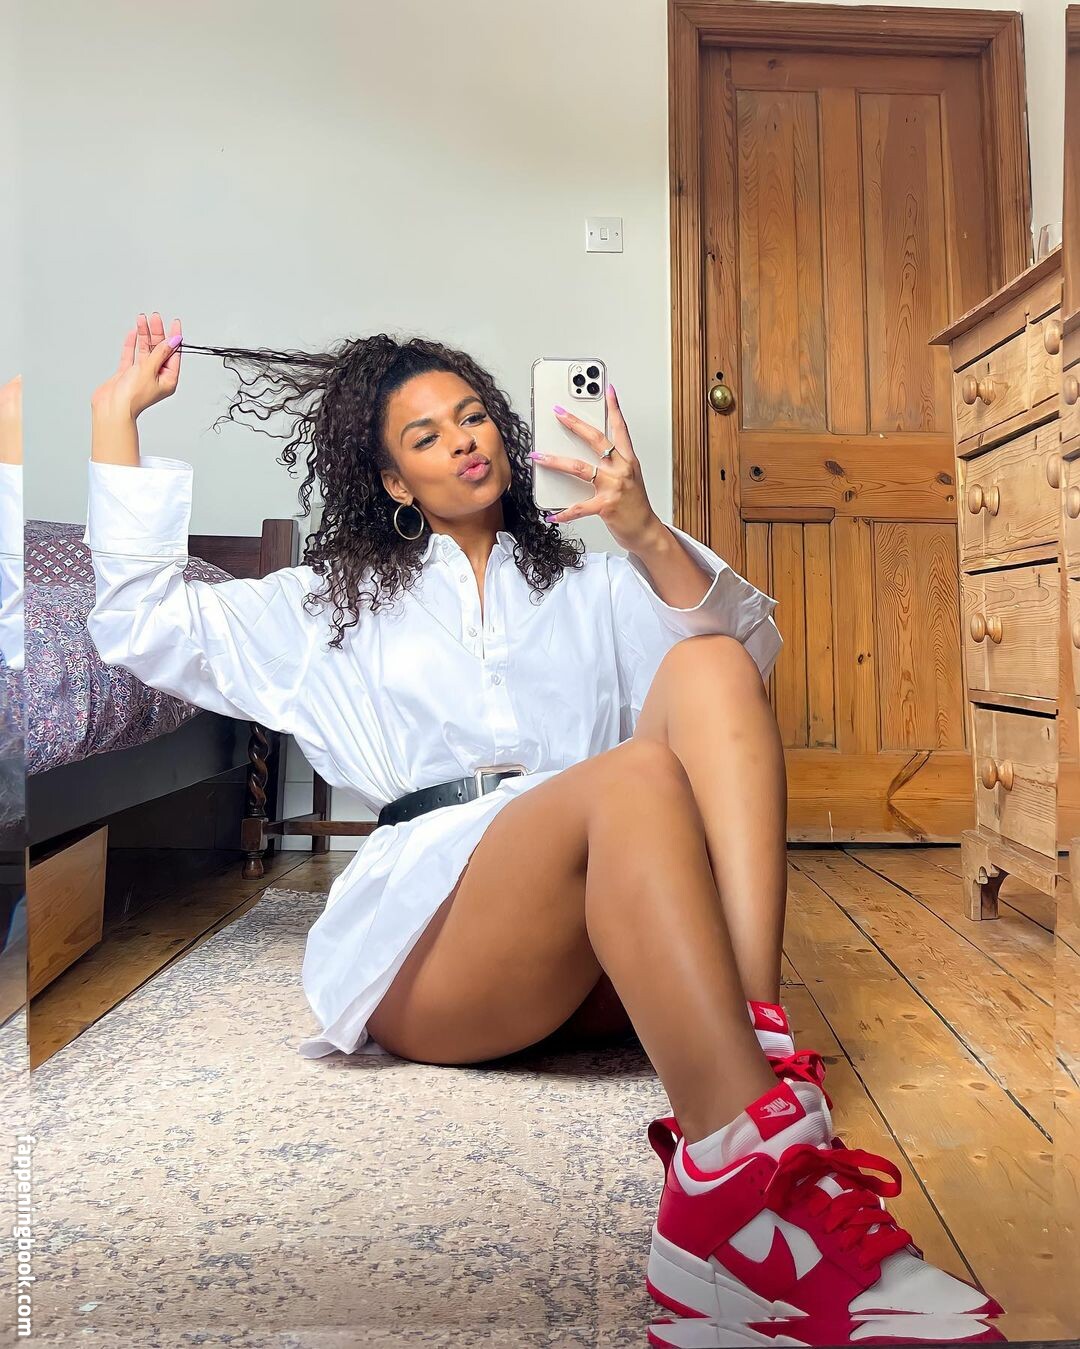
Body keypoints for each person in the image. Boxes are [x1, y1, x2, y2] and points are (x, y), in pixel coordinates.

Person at [83, 312, 1001, 1324]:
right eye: (426, 435)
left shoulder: (590, 583)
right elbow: (141, 622)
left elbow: (746, 652)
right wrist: (117, 421)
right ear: (393, 481)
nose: (462, 440)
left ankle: (754, 1055)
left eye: (473, 416)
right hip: (442, 955)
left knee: (707, 663)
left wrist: (642, 531)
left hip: (597, 942)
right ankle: (737, 1202)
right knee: (632, 778)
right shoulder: (329, 607)